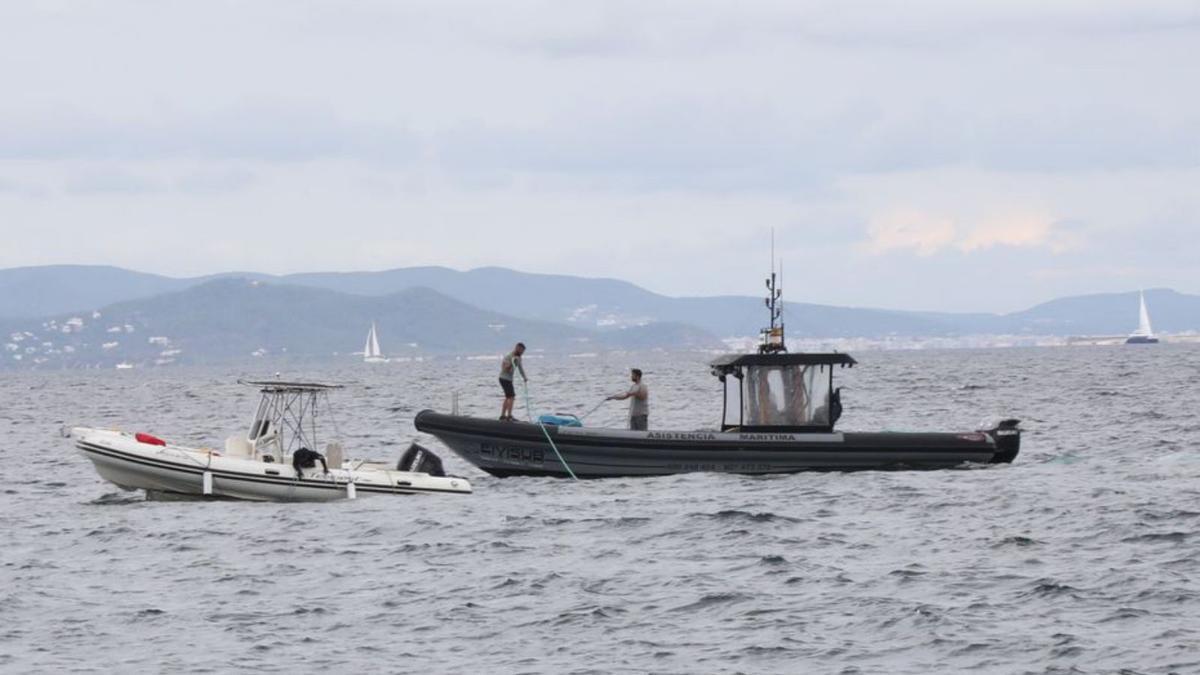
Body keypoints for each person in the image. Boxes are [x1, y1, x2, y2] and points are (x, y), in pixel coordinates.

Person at [498, 342, 527, 421]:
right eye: (521, 351)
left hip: (509, 379)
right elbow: (504, 369)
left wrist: (524, 377)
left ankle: (503, 415)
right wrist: (512, 363)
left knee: (508, 397)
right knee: (511, 397)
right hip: (503, 378)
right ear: (518, 349)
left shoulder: (519, 358)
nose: (522, 353)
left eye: (523, 352)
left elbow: (520, 368)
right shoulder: (508, 357)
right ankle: (509, 416)